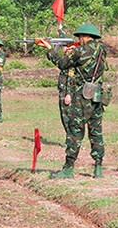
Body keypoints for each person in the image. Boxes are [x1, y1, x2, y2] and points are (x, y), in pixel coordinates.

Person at [40, 22, 107, 179]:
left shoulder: (79, 51)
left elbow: (62, 64)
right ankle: (98, 168)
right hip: (96, 92)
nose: (79, 39)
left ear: (83, 37)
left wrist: (50, 49)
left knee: (75, 131)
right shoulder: (102, 50)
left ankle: (68, 168)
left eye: (80, 37)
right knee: (95, 130)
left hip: (82, 95)